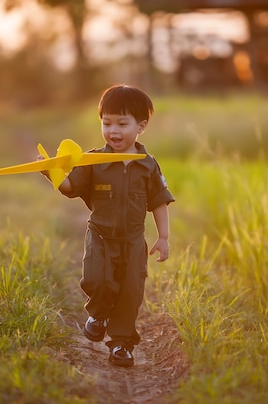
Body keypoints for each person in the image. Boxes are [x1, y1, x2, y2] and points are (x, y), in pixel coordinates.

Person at [40, 84, 175, 367]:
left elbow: (159, 201)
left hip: (134, 242)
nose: (113, 131)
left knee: (130, 293)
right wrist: (50, 172)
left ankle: (122, 345)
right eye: (107, 123)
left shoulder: (148, 165)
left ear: (141, 126)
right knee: (97, 281)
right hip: (100, 236)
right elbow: (68, 186)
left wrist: (163, 237)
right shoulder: (92, 161)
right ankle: (98, 314)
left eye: (122, 124)